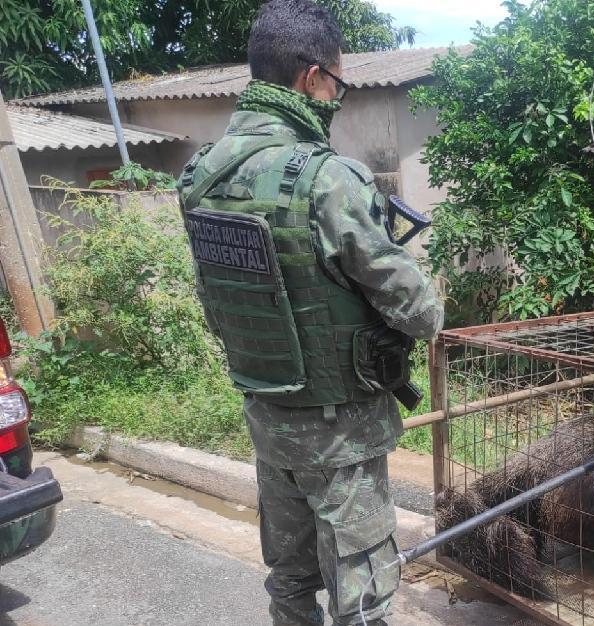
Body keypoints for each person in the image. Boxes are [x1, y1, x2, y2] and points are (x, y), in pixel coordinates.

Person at [175, 1, 443, 624]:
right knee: (364, 597)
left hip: (269, 418)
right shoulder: (328, 180)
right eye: (338, 83)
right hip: (340, 431)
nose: (336, 98)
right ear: (310, 76)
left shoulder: (201, 176)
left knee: (291, 583)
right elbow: (419, 310)